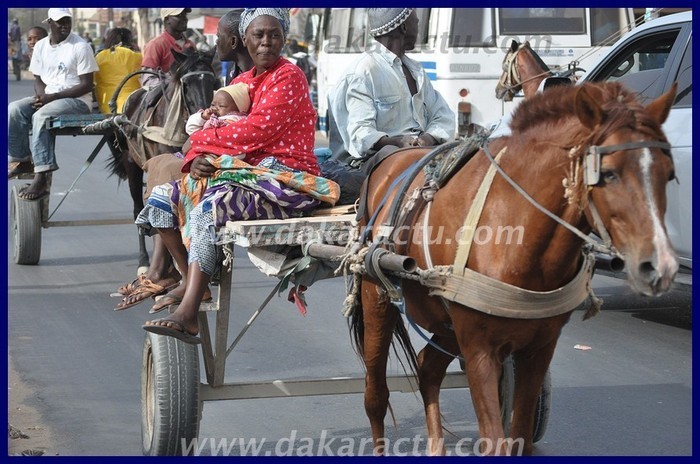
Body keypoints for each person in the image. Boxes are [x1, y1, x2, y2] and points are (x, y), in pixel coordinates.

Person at [140, 8, 339, 342]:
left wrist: (201, 145)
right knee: (161, 199)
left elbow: (253, 132)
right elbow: (209, 133)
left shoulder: (288, 77)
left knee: (207, 210)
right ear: (244, 40)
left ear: (284, 39)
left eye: (274, 35)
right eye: (258, 35)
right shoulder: (239, 83)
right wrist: (198, 157)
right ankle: (190, 279)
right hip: (244, 174)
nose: (266, 43)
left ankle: (188, 313)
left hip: (284, 181)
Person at [114, 9, 253, 310]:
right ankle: (163, 269)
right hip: (162, 87)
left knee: (167, 170)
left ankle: (170, 272)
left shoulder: (196, 49)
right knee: (164, 161)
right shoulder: (158, 45)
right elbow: (149, 75)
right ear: (167, 20)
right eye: (177, 17)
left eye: (183, 17)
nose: (182, 21)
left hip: (220, 148)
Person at [321, 8, 455, 205]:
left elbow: (443, 116)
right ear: (403, 27)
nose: (418, 28)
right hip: (371, 162)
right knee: (397, 156)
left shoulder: (415, 70)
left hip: (414, 153)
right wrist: (398, 142)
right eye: (416, 22)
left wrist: (426, 138)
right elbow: (361, 134)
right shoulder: (364, 71)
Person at [7, 8, 99, 200]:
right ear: (50, 22)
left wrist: (52, 98)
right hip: (50, 98)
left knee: (42, 116)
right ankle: (22, 160)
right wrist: (42, 97)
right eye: (60, 22)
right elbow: (38, 78)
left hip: (76, 101)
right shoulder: (41, 46)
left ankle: (41, 176)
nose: (65, 25)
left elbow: (86, 85)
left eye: (68, 21)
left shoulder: (80, 46)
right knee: (13, 109)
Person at [140, 8, 195, 88]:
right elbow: (148, 79)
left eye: (185, 15)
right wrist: (172, 83)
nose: (184, 18)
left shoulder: (191, 45)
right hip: (166, 97)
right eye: (179, 15)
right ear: (167, 19)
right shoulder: (155, 45)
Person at [94, 27, 142, 114]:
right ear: (129, 40)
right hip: (132, 106)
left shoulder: (99, 57)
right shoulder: (135, 56)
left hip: (106, 108)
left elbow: (95, 81)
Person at [184, 83, 251, 135]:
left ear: (238, 110)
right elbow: (190, 129)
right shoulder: (210, 118)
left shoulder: (238, 121)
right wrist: (202, 117)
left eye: (221, 106)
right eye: (212, 105)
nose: (215, 108)